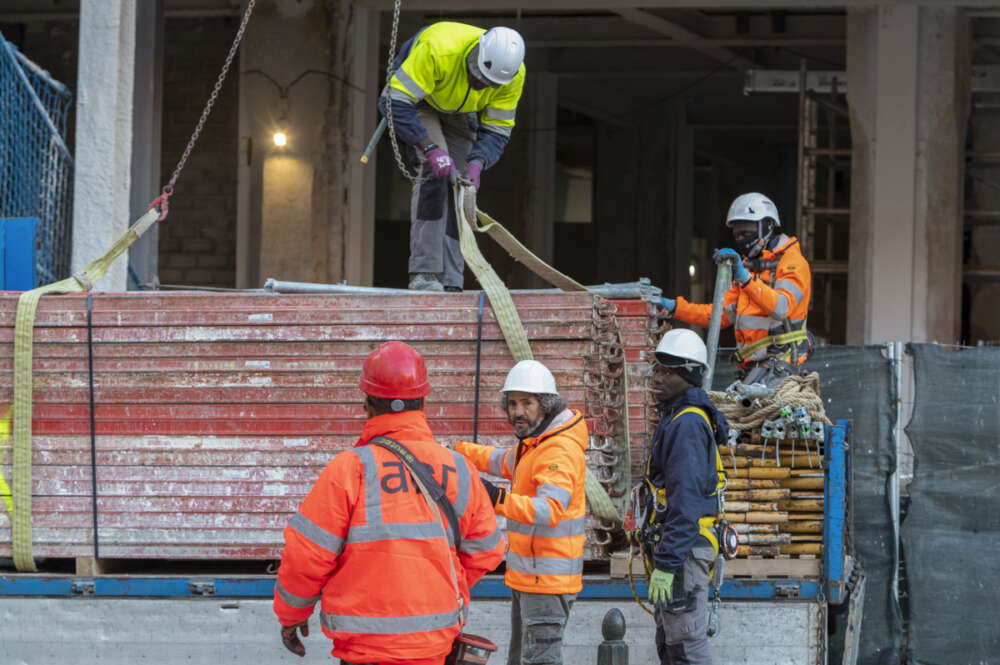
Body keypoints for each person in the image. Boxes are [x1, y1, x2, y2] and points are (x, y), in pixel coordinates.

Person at [273, 341, 506, 665]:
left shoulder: (350, 469)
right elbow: (488, 550)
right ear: (422, 402)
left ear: (367, 404)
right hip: (434, 648)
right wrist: (433, 588)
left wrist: (291, 615)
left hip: (363, 651)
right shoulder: (459, 469)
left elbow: (306, 557)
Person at [453, 360, 587, 665]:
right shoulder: (535, 445)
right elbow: (501, 460)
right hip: (530, 579)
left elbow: (548, 510)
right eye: (512, 403)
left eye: (527, 403)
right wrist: (456, 451)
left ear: (546, 405)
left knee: (538, 660)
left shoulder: (558, 449)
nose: (518, 412)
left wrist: (496, 496)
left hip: (547, 584)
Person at [379, 21, 526, 293]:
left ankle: (450, 279)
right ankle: (425, 272)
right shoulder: (438, 50)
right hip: (420, 102)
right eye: (478, 77)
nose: (481, 85)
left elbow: (497, 129)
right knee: (436, 172)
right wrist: (430, 148)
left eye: (488, 85)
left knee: (461, 188)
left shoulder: (512, 77)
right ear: (476, 55)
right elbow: (392, 102)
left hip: (461, 112)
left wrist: (478, 163)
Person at [661, 192, 812, 385]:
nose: (741, 239)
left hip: (780, 371)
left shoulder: (793, 263)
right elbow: (717, 316)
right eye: (737, 234)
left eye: (746, 233)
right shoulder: (749, 267)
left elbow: (781, 308)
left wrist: (744, 278)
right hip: (751, 372)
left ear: (767, 226)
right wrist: (674, 307)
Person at [642, 329, 729, 665]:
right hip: (680, 548)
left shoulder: (687, 424)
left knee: (684, 648)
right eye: (657, 369)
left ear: (690, 376)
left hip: (684, 551)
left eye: (668, 372)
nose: (657, 378)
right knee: (671, 644)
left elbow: (687, 501)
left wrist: (667, 563)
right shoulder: (678, 417)